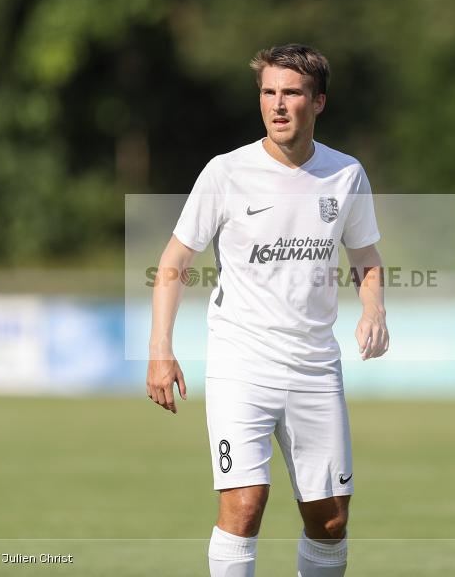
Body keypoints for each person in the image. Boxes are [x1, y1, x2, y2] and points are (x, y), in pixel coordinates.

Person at [146, 43, 388, 577]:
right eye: (269, 93)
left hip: (314, 367)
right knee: (244, 503)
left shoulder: (346, 176)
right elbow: (174, 262)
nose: (278, 105)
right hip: (242, 365)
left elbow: (366, 256)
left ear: (318, 102)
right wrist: (160, 349)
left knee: (329, 521)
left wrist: (374, 310)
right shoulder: (225, 173)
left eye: (292, 93)